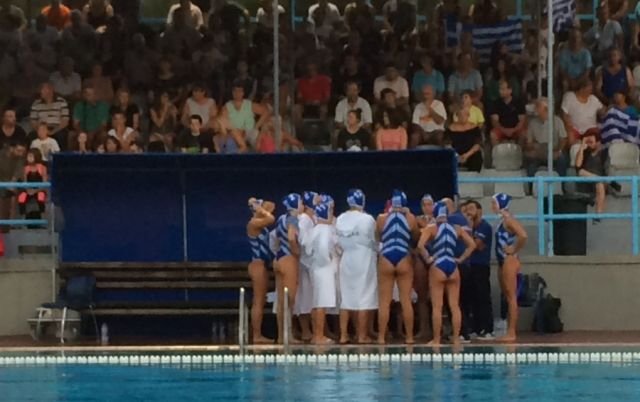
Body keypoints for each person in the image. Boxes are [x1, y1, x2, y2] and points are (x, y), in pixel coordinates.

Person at [418, 201, 475, 346]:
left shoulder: (431, 228)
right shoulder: (456, 228)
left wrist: (429, 259)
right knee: (454, 306)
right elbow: (472, 245)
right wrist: (460, 259)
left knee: (437, 306)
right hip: (453, 266)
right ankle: (456, 338)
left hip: (438, 266)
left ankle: (437, 339)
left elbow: (420, 246)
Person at [336, 189, 378, 344]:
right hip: (364, 258)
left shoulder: (341, 218)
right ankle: (362, 336)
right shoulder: (368, 219)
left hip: (346, 259)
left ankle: (343, 335)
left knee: (346, 299)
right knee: (364, 297)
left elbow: (338, 241)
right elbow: (375, 240)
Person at [376, 190, 417, 344]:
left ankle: (381, 337)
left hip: (386, 257)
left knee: (384, 302)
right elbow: (415, 238)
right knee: (406, 300)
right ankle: (409, 337)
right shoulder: (410, 218)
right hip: (403, 256)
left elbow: (378, 237)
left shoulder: (381, 218)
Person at [492, 193, 528, 342]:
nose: (492, 207)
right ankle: (508, 329)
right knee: (507, 296)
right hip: (502, 260)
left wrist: (514, 249)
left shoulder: (509, 220)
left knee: (511, 296)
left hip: (509, 260)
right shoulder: (502, 220)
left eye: (494, 203)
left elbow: (523, 235)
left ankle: (512, 332)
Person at [307, 201, 339, 345]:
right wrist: (327, 260)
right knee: (321, 303)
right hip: (324, 269)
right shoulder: (326, 230)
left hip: (315, 268)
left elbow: (307, 248)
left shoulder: (314, 229)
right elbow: (324, 248)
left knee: (316, 303)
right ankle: (319, 336)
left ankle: (316, 334)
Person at [463, 200, 494, 339]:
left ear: (479, 211)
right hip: (469, 265)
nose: (468, 212)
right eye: (466, 210)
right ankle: (475, 327)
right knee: (471, 298)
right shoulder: (467, 228)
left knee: (483, 297)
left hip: (481, 265)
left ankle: (487, 328)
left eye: (471, 209)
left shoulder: (485, 227)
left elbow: (475, 245)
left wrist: (467, 233)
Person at [246, 197, 276, 344]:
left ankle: (258, 334)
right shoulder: (253, 223)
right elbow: (271, 218)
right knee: (258, 300)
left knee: (261, 300)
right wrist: (259, 209)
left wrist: (258, 206)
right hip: (257, 265)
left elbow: (272, 205)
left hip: (263, 265)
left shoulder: (261, 224)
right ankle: (257, 335)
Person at [275, 193, 303, 344]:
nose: (302, 206)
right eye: (301, 203)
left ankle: (281, 336)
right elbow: (292, 237)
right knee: (289, 301)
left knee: (280, 302)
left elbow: (276, 239)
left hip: (278, 259)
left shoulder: (281, 218)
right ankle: (288, 335)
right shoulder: (293, 219)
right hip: (289, 260)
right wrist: (297, 252)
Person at [575, 131, 620, 223]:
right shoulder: (584, 152)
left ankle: (598, 216)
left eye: (591, 142)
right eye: (587, 142)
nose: (589, 144)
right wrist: (582, 147)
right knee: (581, 172)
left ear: (598, 142)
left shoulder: (604, 153)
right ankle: (606, 181)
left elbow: (607, 170)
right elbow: (578, 166)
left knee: (599, 184)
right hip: (585, 180)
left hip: (600, 182)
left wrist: (604, 179)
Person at [293, 191, 318, 343]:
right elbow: (301, 240)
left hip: (308, 263)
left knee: (310, 298)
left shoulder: (310, 219)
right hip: (304, 264)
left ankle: (312, 331)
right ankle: (306, 331)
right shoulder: (304, 219)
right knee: (304, 298)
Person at [525, 98, 569, 177]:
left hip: (553, 152)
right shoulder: (532, 122)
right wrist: (534, 147)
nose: (535, 109)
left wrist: (559, 151)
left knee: (562, 159)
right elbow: (529, 143)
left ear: (545, 109)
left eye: (538, 107)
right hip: (538, 154)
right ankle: (530, 184)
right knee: (530, 162)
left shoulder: (557, 121)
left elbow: (563, 139)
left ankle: (562, 183)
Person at [413, 194, 434, 340]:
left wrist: (425, 227)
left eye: (429, 204)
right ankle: (424, 328)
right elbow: (413, 239)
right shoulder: (416, 220)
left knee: (437, 296)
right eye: (424, 205)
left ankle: (440, 328)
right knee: (422, 296)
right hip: (421, 259)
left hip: (435, 258)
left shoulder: (440, 220)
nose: (427, 207)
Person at [561, 79, 606, 145]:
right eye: (589, 89)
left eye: (591, 89)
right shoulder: (569, 96)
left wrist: (608, 110)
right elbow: (564, 113)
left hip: (591, 129)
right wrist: (568, 123)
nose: (591, 91)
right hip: (574, 129)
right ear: (581, 89)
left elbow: (602, 110)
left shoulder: (593, 98)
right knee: (569, 134)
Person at [30, 82, 70, 151]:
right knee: (32, 135)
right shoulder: (36, 103)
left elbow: (65, 121)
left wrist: (53, 131)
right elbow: (33, 122)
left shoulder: (61, 101)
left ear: (50, 90)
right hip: (41, 128)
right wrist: (41, 131)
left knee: (62, 135)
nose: (40, 91)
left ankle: (61, 156)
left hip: (57, 128)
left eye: (42, 89)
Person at [490, 80, 527, 146]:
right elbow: (494, 122)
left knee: (523, 134)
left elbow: (522, 121)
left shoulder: (519, 102)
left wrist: (513, 130)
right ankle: (497, 152)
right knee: (493, 134)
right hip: (501, 129)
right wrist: (504, 130)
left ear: (510, 90)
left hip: (516, 129)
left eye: (503, 89)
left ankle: (519, 152)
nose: (500, 91)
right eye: (500, 89)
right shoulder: (495, 103)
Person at [73, 85, 109, 151]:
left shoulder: (103, 106)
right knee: (73, 135)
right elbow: (75, 124)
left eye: (91, 94)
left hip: (97, 131)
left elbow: (103, 125)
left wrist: (93, 133)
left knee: (103, 135)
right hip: (83, 131)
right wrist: (82, 133)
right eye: (86, 93)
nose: (88, 96)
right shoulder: (79, 105)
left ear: (96, 95)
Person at [18, 148, 47, 221]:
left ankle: (42, 218)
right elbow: (25, 182)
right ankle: (23, 219)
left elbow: (44, 183)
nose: (29, 158)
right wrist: (28, 190)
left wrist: (35, 191)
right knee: (21, 197)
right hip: (28, 189)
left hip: (39, 189)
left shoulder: (42, 167)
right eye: (28, 156)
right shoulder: (26, 168)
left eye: (31, 156)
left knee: (40, 197)